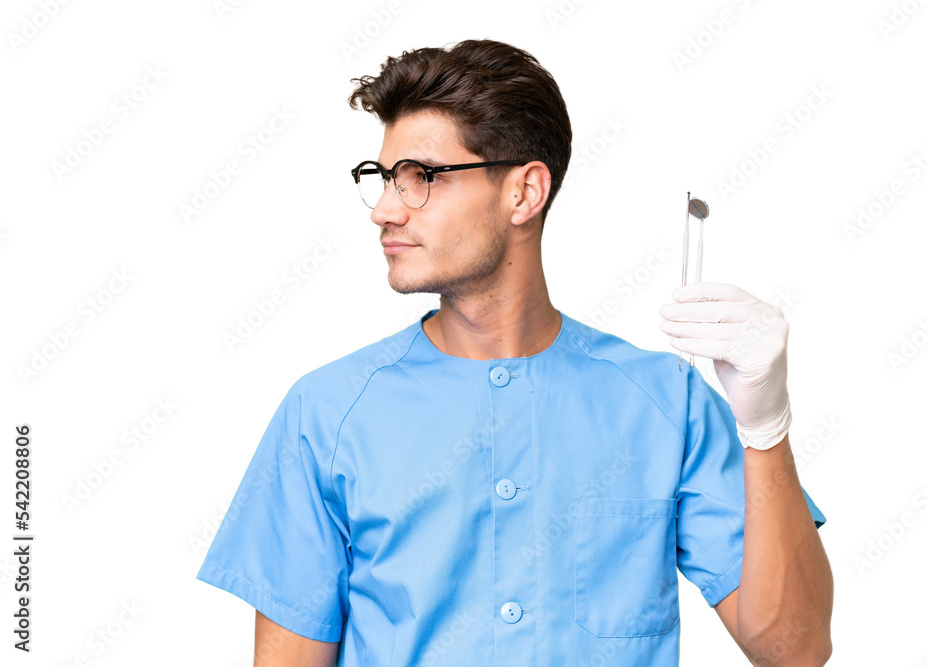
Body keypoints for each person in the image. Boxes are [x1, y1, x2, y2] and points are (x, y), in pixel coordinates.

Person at [196, 38, 833, 666]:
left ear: (524, 193)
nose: (385, 209)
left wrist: (765, 428)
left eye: (420, 177)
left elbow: (795, 650)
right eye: (382, 177)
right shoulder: (327, 413)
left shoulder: (667, 402)